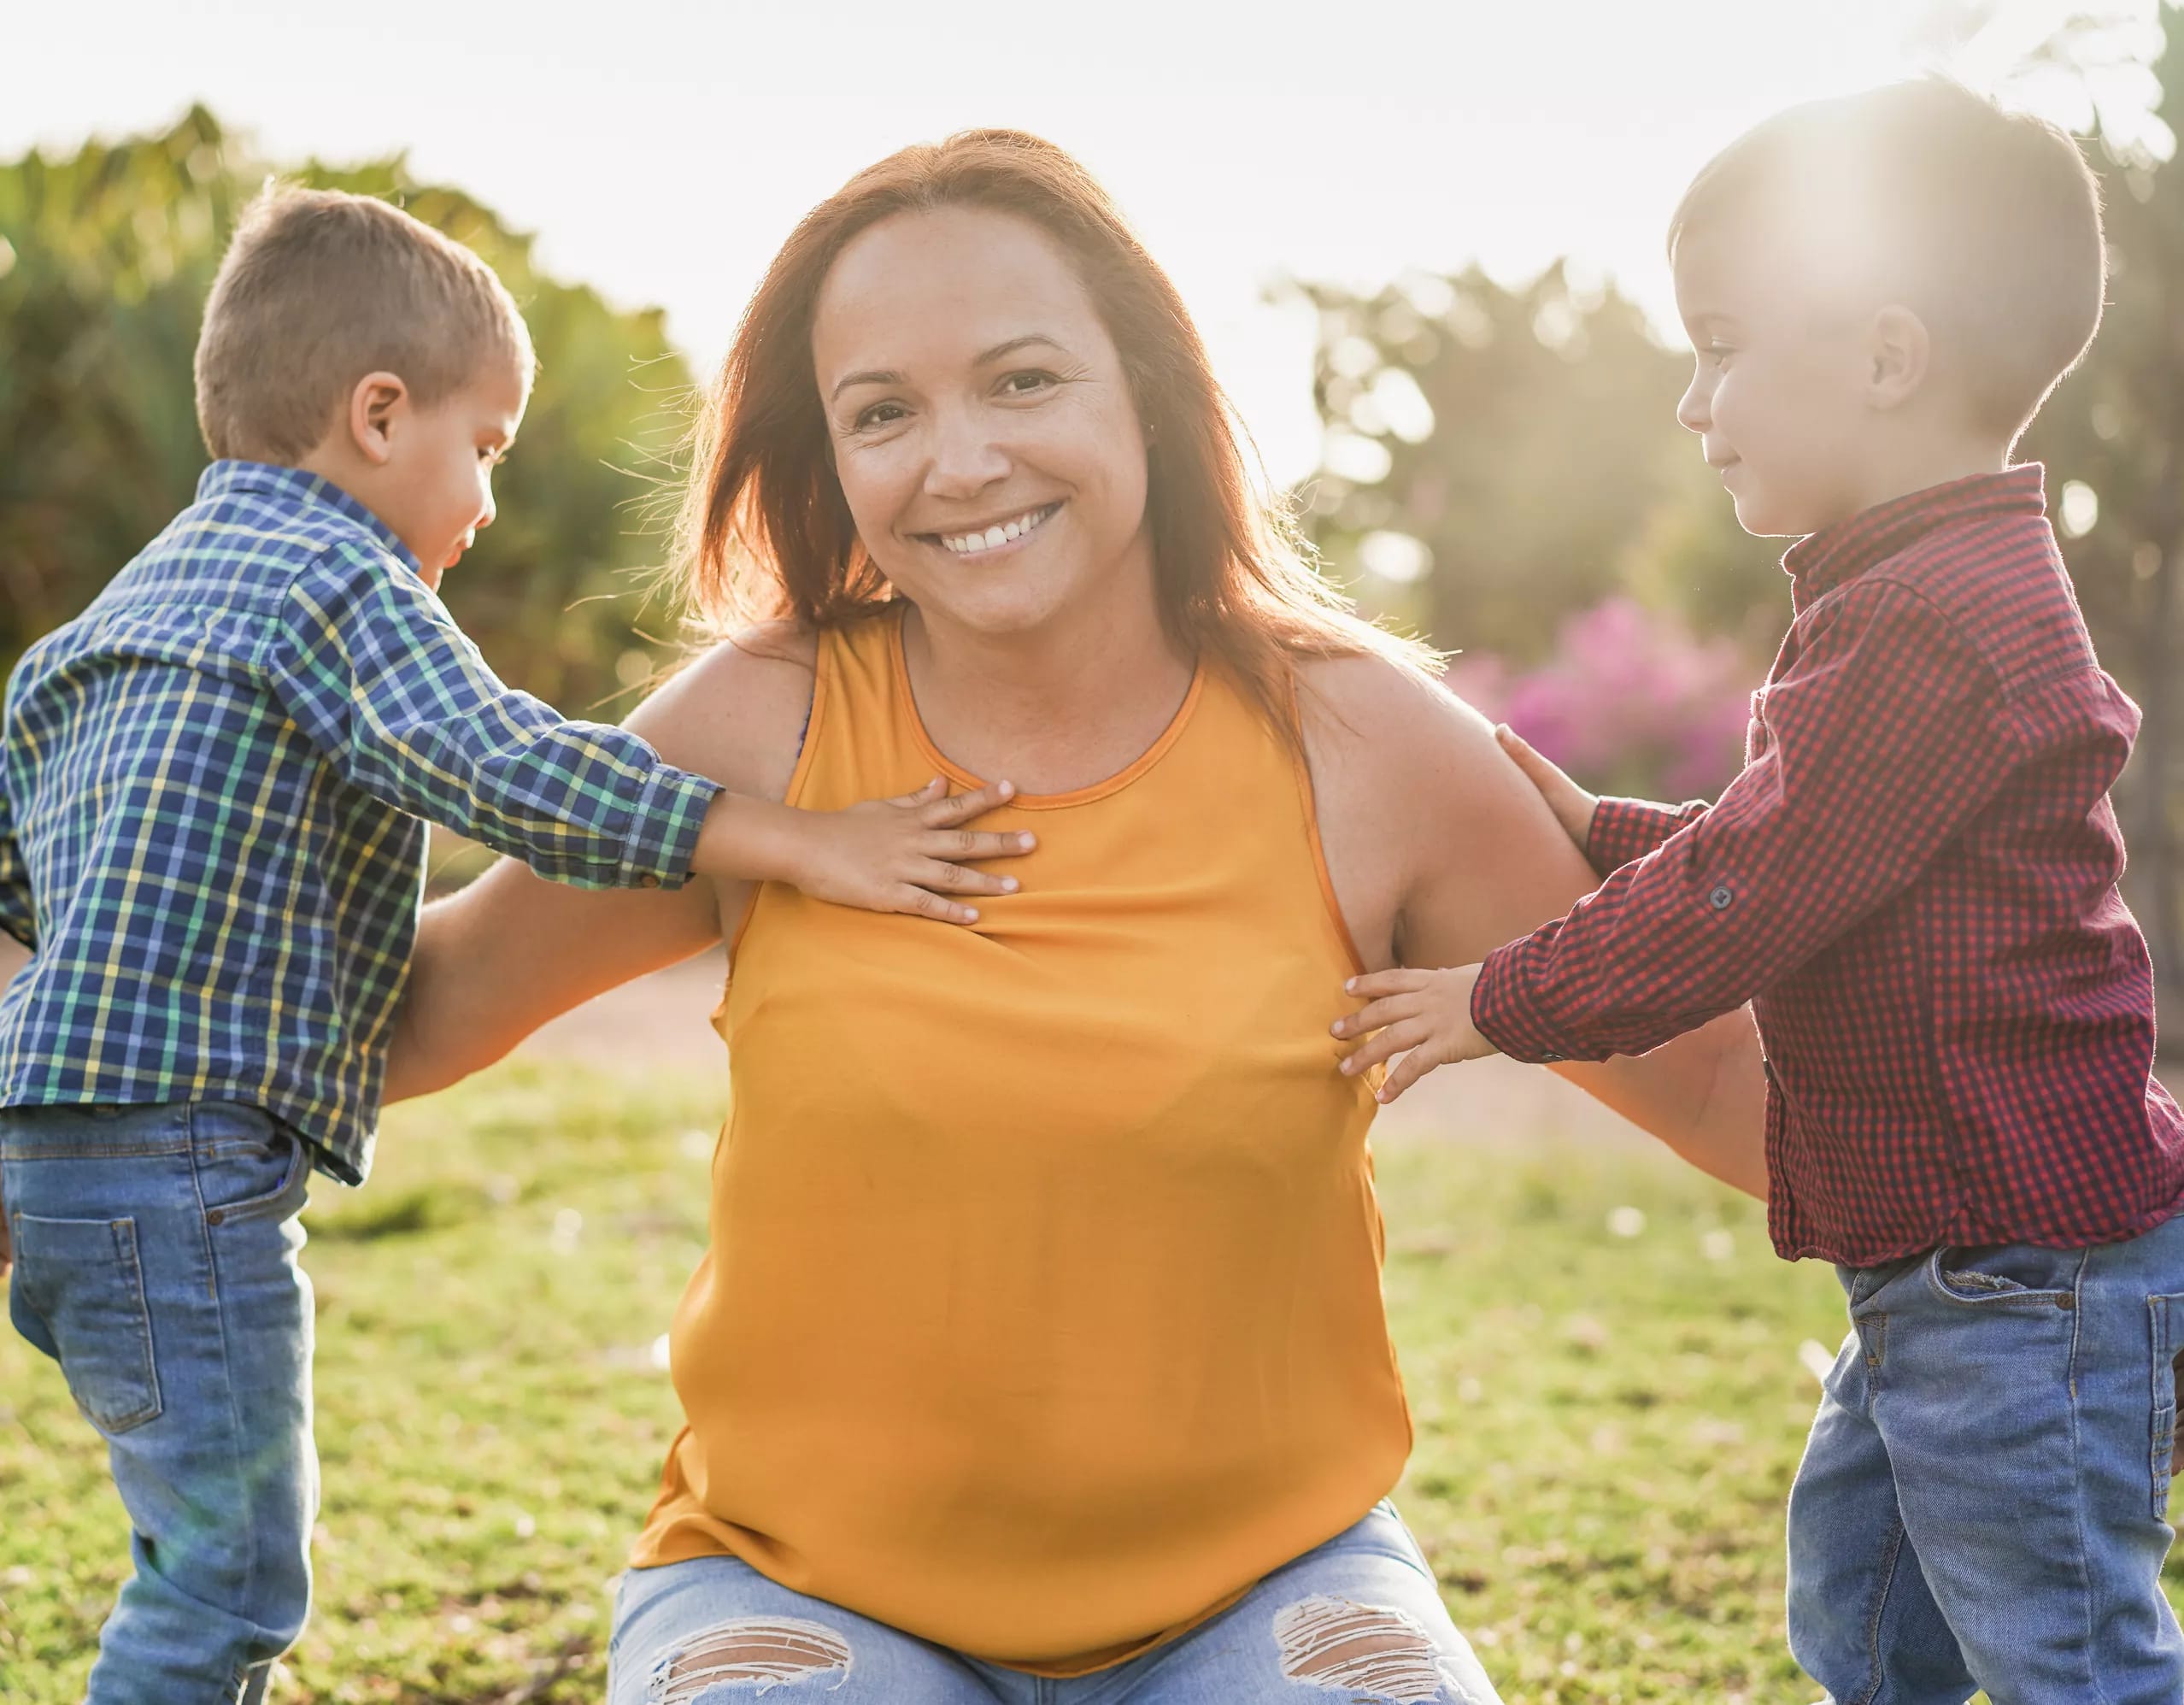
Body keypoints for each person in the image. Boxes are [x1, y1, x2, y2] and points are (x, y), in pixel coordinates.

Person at [385, 131, 1769, 1704]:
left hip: (1270, 1590)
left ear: (1147, 394)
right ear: (829, 457)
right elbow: (433, 1006)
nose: (958, 460)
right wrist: (72, 1012)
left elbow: (1718, 1086)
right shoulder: (756, 729)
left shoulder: (1368, 745)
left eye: (1023, 380)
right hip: (795, 1588)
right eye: (883, 412)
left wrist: (2077, 1195)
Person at [0, 185, 1030, 1704]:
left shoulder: (100, 630)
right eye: (480, 450)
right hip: (190, 1173)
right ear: (375, 415)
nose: (484, 502)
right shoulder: (332, 578)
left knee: (190, 1549)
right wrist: (802, 836)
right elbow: (510, 766)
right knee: (224, 1589)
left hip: (61, 1166)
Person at [1339, 79, 2184, 1702]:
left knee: (2071, 1657)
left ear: (1883, 357)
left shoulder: (1925, 620)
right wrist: (1604, 831)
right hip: (1951, 1267)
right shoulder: (1920, 591)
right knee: (1863, 1617)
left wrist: (1497, 997)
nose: (1689, 399)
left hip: (2019, 1282)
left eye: (1721, 343)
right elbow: (1804, 850)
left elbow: (1760, 888)